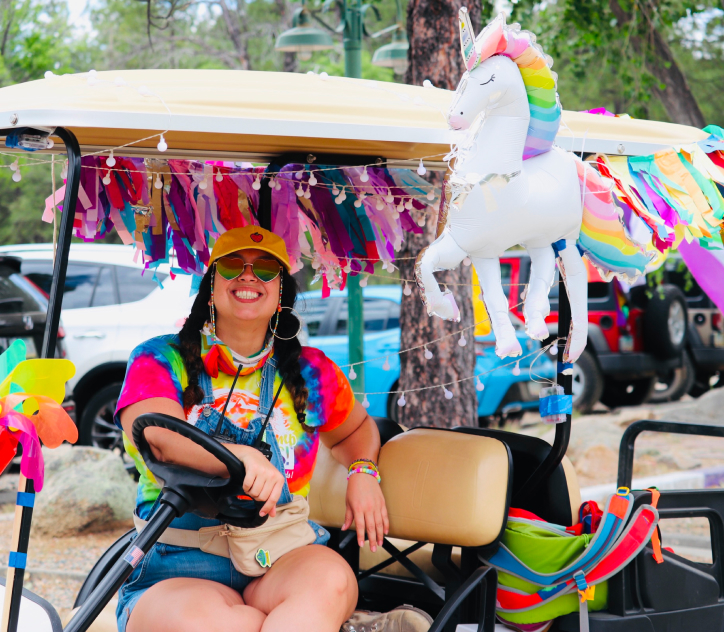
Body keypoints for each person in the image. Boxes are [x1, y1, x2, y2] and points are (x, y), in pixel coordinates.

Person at [114, 226, 432, 632]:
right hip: (179, 558)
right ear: (210, 287)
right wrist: (240, 457)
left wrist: (363, 472)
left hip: (280, 551)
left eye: (266, 269)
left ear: (281, 292)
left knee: (331, 582)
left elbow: (355, 431)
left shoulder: (312, 371)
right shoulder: (160, 357)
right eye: (233, 266)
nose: (249, 276)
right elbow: (158, 434)